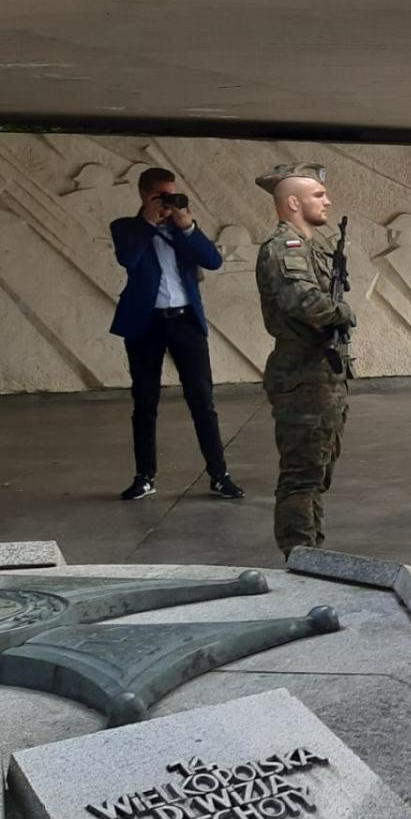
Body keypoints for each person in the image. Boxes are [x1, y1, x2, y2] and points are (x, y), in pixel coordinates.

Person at [109, 168, 244, 501]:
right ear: (144, 194)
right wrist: (147, 222)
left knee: (202, 401)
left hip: (185, 322)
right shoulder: (126, 227)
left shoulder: (181, 229)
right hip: (146, 323)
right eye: (161, 195)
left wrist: (188, 226)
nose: (168, 201)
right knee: (144, 402)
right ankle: (144, 476)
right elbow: (128, 258)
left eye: (172, 194)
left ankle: (219, 474)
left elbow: (212, 262)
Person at [253, 164, 355, 558]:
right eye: (317, 195)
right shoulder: (285, 248)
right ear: (292, 202)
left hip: (321, 376)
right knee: (301, 477)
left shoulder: (310, 246)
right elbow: (304, 303)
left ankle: (314, 552)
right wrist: (343, 312)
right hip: (303, 378)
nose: (326, 200)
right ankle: (300, 555)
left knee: (317, 473)